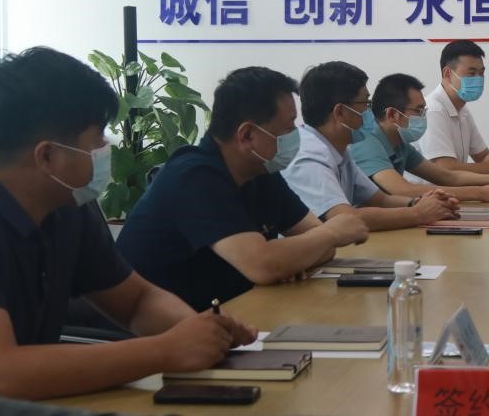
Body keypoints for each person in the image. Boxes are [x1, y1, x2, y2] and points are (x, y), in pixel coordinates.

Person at [0, 48, 255, 399]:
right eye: (97, 140)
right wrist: (163, 350)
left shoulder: (66, 209)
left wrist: (203, 333)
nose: (106, 149)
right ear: (47, 156)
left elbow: (137, 301)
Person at [118, 67, 370, 312]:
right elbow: (264, 264)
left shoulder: (261, 172)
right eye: (288, 128)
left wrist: (291, 258)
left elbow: (322, 248)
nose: (296, 135)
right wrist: (330, 233)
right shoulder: (194, 176)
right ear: (247, 134)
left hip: (233, 310)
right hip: (167, 327)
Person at [282, 61, 458, 230]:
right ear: (340, 112)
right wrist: (418, 213)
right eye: (365, 104)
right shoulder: (307, 155)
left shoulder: (338, 149)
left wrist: (420, 202)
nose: (370, 111)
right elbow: (345, 218)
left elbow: (380, 200)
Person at [350, 73, 489, 202]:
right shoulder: (366, 142)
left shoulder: (400, 144)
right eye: (419, 111)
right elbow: (403, 190)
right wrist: (480, 193)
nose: (424, 117)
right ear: (393, 114)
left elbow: (447, 176)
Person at [418, 41, 489, 175]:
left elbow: (483, 156)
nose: (478, 79)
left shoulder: (462, 110)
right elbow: (446, 168)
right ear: (447, 74)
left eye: (481, 73)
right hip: (429, 189)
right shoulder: (433, 110)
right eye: (471, 73)